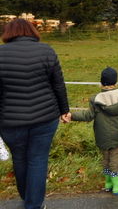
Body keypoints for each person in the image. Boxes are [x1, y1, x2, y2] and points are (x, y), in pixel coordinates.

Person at [0, 18, 70, 209]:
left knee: (20, 158)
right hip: (45, 118)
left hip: (10, 122)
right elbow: (58, 84)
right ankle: (33, 203)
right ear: (32, 31)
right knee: (38, 159)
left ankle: (28, 198)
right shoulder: (47, 50)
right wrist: (65, 110)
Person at [71, 67, 118, 195]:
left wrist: (72, 115)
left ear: (101, 83)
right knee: (114, 159)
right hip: (117, 135)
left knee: (105, 158)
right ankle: (117, 184)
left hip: (101, 136)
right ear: (116, 82)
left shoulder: (96, 99)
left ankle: (108, 183)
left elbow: (87, 116)